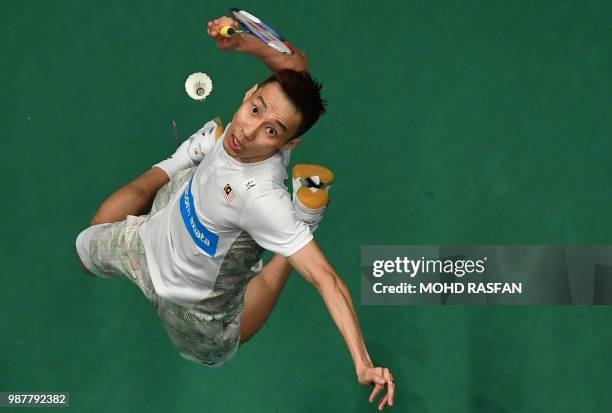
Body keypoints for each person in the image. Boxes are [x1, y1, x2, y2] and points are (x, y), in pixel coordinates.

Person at [75, 16, 395, 410]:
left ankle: (303, 221)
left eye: (272, 131)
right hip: (159, 228)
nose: (248, 131)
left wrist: (363, 363)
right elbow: (294, 65)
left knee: (217, 349)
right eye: (255, 109)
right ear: (249, 94)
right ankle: (185, 158)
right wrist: (245, 43)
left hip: (194, 305)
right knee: (84, 247)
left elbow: (327, 280)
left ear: (288, 142)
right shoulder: (263, 112)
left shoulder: (261, 198)